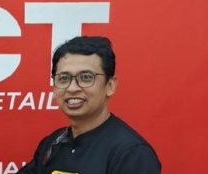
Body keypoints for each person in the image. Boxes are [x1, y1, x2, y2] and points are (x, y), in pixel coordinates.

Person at [18, 36, 160, 174]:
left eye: (86, 77)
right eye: (63, 78)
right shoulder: (51, 144)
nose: (72, 88)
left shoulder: (132, 154)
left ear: (110, 85)